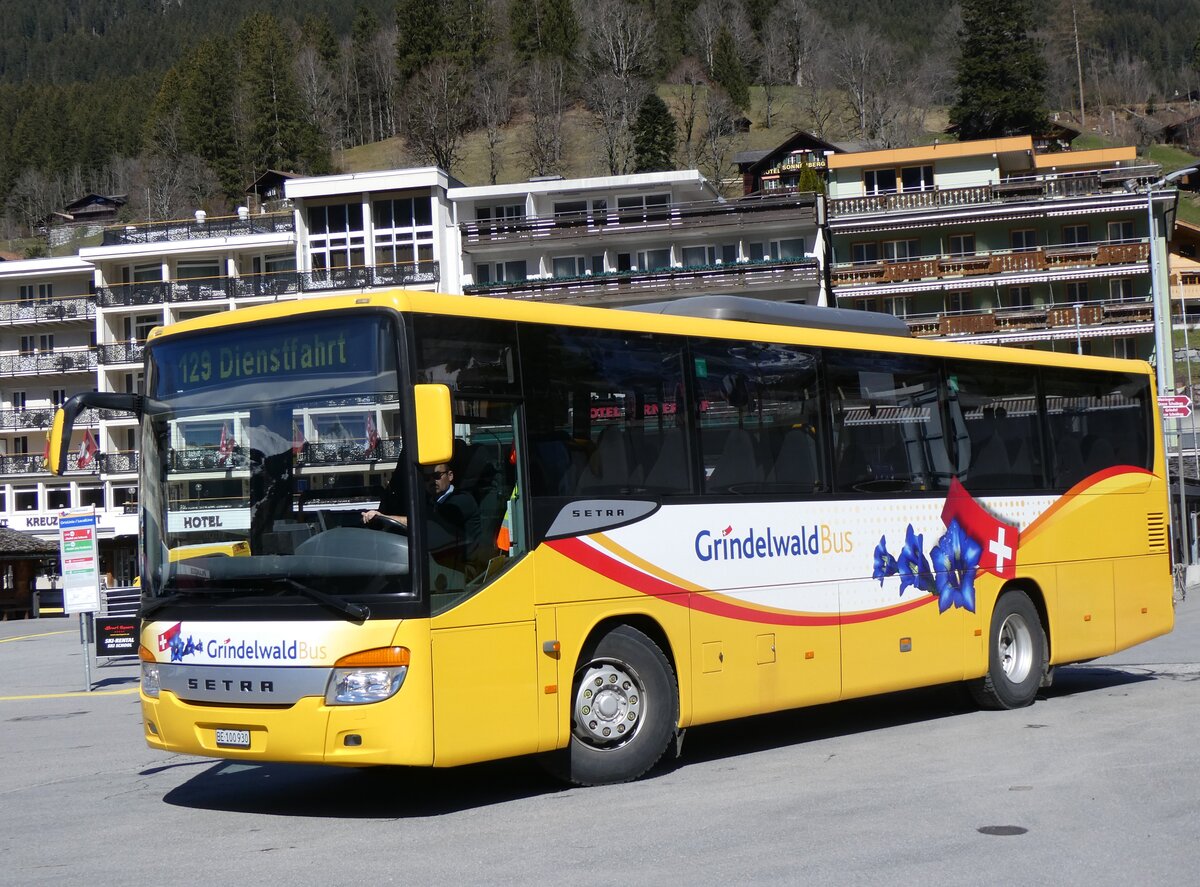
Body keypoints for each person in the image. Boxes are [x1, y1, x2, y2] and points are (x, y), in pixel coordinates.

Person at [363, 462, 480, 569]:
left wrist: (384, 517)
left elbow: (427, 522)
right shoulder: (431, 501)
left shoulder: (461, 501)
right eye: (426, 478)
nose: (432, 481)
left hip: (465, 571)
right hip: (440, 564)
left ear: (450, 476)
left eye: (437, 476)